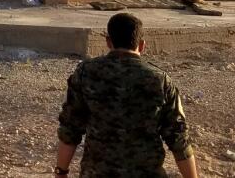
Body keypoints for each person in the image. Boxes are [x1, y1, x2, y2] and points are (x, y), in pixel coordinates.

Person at [53, 13, 198, 178]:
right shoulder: (159, 80)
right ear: (142, 45)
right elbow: (178, 138)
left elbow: (70, 129)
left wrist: (61, 171)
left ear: (108, 42)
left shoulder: (86, 73)